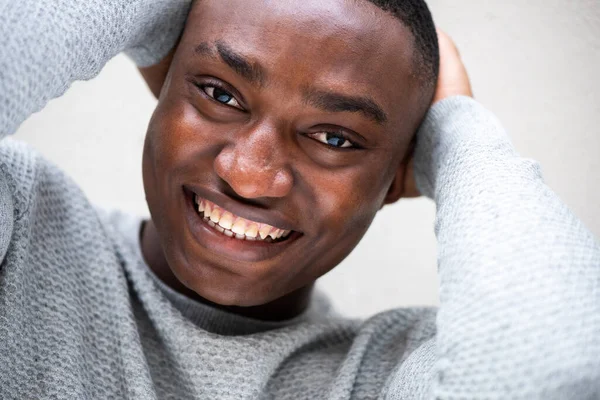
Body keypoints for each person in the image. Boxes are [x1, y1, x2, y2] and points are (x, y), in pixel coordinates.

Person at [1, 0, 598, 398]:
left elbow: (551, 376)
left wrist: (461, 140)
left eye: (334, 137)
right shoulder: (22, 230)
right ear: (163, 87)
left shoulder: (383, 377)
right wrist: (160, 18)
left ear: (399, 177)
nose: (250, 175)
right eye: (219, 92)